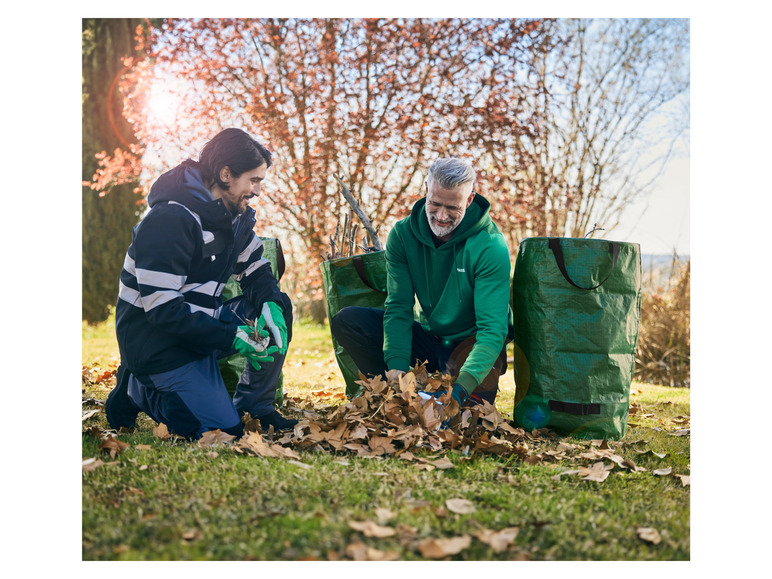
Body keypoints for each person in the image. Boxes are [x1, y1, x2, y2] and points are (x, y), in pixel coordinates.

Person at [105, 128, 296, 439]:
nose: (258, 190)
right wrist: (232, 336)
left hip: (197, 324)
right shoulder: (169, 220)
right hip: (156, 340)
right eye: (253, 180)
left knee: (278, 308)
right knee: (221, 432)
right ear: (225, 174)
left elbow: (257, 271)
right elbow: (164, 311)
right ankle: (136, 388)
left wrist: (270, 304)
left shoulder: (234, 218)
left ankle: (254, 407)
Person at [331, 157, 513, 407]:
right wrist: (395, 367)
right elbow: (398, 306)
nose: (441, 216)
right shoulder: (403, 235)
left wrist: (460, 390)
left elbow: (492, 331)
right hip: (432, 339)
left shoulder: (490, 245)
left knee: (469, 419)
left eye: (453, 208)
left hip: (473, 348)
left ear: (469, 200)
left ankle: (459, 393)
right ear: (426, 190)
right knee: (349, 320)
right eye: (435, 203)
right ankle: (388, 398)